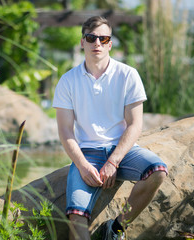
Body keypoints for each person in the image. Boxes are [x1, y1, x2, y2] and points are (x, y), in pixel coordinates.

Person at [52, 16, 168, 240]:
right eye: (91, 38)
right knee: (76, 215)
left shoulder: (128, 75)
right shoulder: (68, 81)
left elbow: (135, 124)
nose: (97, 43)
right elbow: (65, 131)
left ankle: (115, 229)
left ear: (110, 44)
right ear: (82, 42)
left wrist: (113, 161)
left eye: (103, 38)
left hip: (124, 152)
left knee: (157, 172)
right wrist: (83, 165)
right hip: (87, 154)